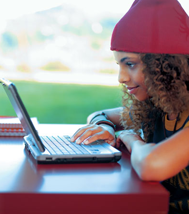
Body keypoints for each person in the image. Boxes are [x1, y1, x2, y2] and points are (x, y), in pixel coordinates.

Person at [70, 0, 189, 213]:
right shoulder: (159, 107)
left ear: (166, 64)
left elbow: (152, 165)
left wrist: (129, 137)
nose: (121, 78)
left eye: (130, 64)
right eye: (120, 65)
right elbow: (100, 114)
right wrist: (105, 127)